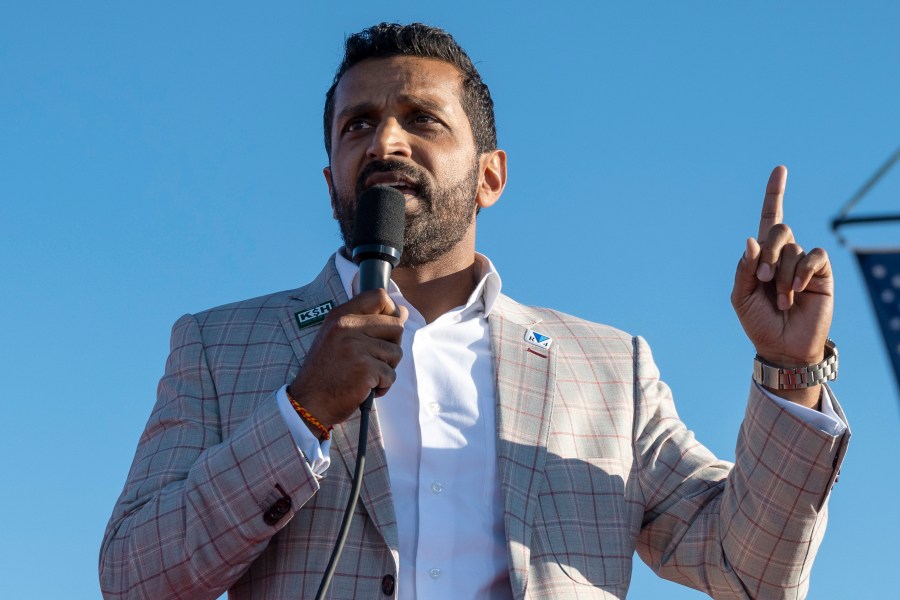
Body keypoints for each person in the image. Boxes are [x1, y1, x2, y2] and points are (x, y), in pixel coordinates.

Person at [100, 22, 849, 600]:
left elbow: (748, 569)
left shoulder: (609, 368)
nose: (386, 139)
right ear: (332, 178)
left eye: (422, 119)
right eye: (357, 125)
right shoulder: (218, 345)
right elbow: (136, 576)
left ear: (491, 176)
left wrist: (790, 370)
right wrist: (302, 414)